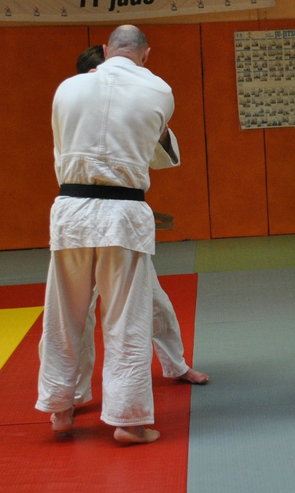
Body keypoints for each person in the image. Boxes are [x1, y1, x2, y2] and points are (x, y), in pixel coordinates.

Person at [36, 25, 177, 444]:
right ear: (145, 54)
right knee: (124, 320)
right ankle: (129, 421)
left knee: (64, 316)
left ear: (103, 49)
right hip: (123, 213)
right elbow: (155, 151)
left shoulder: (67, 89)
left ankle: (60, 409)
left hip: (71, 211)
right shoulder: (159, 91)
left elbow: (65, 144)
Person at [71, 46, 207, 408]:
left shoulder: (132, 109)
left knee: (153, 300)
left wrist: (160, 129)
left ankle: (175, 365)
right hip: (82, 220)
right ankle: (73, 391)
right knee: (78, 312)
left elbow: (161, 159)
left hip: (123, 220)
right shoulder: (73, 108)